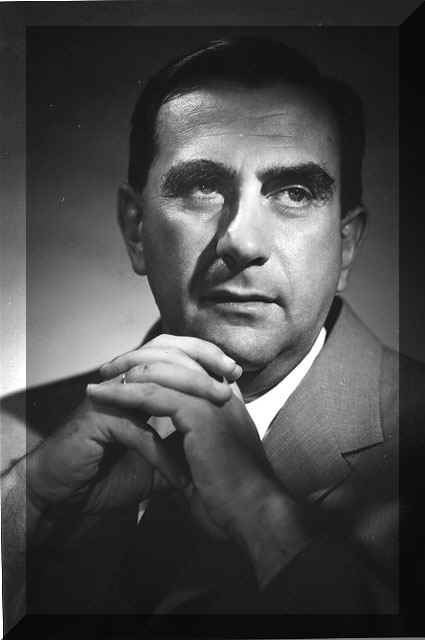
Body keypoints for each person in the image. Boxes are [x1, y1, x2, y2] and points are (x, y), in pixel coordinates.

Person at [1, 36, 424, 635]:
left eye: (294, 192)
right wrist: (18, 520)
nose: (241, 241)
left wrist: (264, 512)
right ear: (136, 231)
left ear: (346, 245)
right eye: (201, 186)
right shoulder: (13, 442)